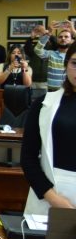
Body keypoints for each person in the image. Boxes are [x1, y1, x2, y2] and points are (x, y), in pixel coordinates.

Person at [21, 43, 76, 215]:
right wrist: (54, 198)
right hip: (49, 198)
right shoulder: (43, 104)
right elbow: (28, 158)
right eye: (75, 63)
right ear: (66, 64)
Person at [32, 20, 74, 91]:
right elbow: (37, 50)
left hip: (69, 91)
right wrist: (48, 33)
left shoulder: (73, 56)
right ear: (57, 40)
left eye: (66, 37)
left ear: (71, 40)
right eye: (60, 37)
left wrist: (73, 31)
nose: (63, 38)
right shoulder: (52, 54)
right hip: (52, 92)